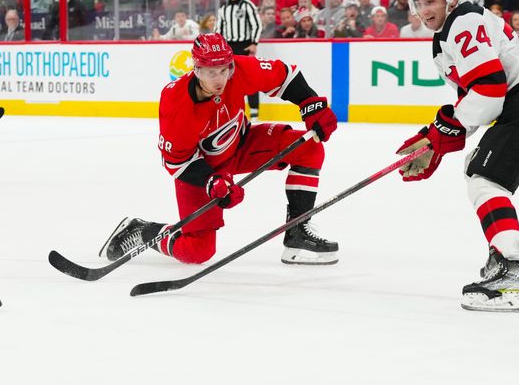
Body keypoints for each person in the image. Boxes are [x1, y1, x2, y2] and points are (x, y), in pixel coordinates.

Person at [397, 0, 519, 312]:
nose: (425, 10)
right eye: (418, 3)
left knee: (486, 179)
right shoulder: (445, 39)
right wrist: (439, 138)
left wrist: (440, 131)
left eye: (431, 0)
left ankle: (509, 271)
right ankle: (504, 257)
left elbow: (490, 91)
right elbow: (479, 99)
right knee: (481, 172)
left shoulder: (461, 20)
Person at [100, 33, 339, 266]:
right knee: (197, 252)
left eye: (224, 70)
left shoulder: (237, 70)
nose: (220, 79)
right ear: (196, 69)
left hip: (241, 145)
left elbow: (286, 75)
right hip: (200, 169)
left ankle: (297, 231)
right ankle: (143, 231)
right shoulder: (176, 104)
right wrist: (212, 182)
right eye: (212, 73)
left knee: (309, 148)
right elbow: (176, 163)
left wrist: (310, 104)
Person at [217, 0, 263, 121]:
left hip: (245, 46)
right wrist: (220, 47)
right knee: (229, 80)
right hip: (229, 47)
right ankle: (230, 111)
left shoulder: (248, 5)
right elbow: (219, 28)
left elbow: (257, 25)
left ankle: (254, 112)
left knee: (249, 78)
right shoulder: (223, 8)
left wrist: (254, 43)